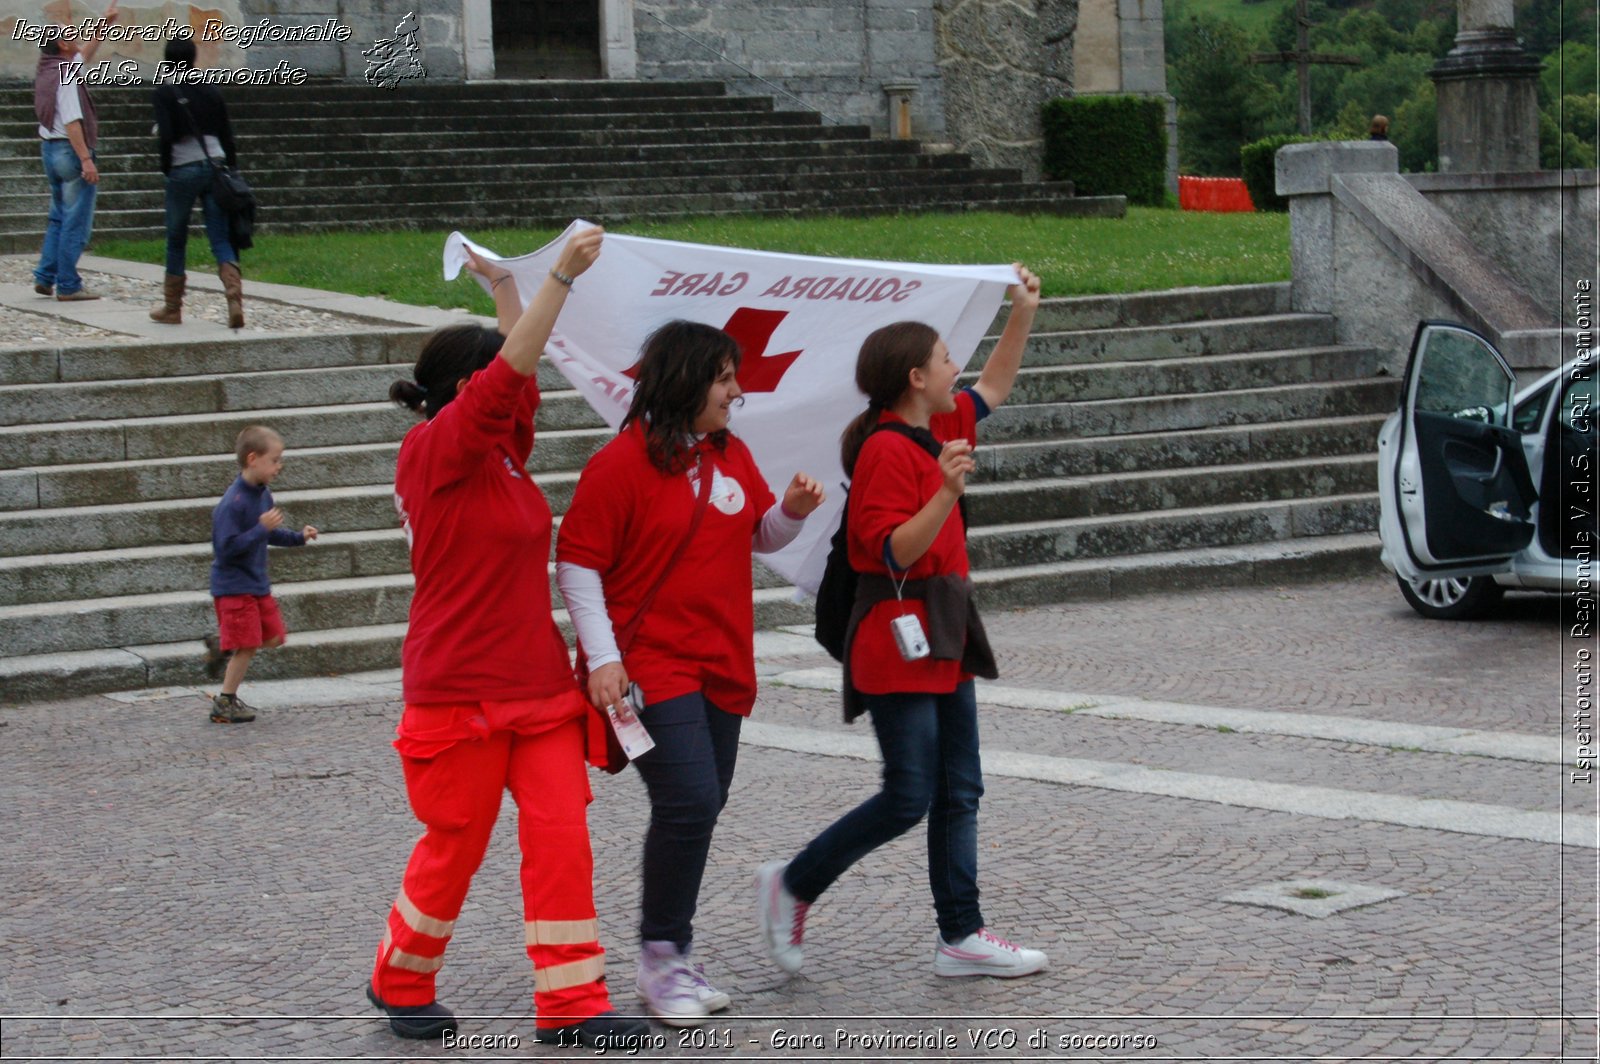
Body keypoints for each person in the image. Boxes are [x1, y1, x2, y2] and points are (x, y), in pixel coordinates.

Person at [367, 229, 648, 1049]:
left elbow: (515, 389)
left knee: (561, 839)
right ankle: (400, 976)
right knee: (455, 846)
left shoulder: (503, 458)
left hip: (536, 691)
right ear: (464, 390)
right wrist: (560, 273)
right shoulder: (434, 452)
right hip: (457, 691)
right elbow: (506, 383)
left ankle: (573, 1007)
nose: (516, 396)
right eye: (495, 382)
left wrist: (505, 287)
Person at [755, 266, 1047, 981]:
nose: (958, 369)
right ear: (916, 376)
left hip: (943, 625)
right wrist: (947, 492)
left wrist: (1023, 312)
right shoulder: (888, 448)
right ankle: (793, 883)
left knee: (959, 788)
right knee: (909, 794)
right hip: (897, 636)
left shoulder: (937, 422)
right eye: (948, 358)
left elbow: (997, 388)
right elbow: (886, 551)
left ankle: (961, 935)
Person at [555, 321, 824, 1026]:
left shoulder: (729, 453)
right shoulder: (620, 464)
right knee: (690, 801)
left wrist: (790, 515)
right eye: (724, 377)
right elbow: (578, 562)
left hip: (723, 660)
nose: (737, 391)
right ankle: (660, 958)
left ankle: (672, 952)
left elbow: (756, 530)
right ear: (685, 380)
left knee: (701, 806)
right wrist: (605, 658)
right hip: (652, 661)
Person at [205, 425, 317, 724]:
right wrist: (260, 529)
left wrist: (297, 537)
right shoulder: (233, 503)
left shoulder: (262, 494)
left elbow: (269, 534)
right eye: (275, 460)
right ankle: (225, 701)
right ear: (253, 459)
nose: (279, 467)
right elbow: (226, 549)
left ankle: (224, 644)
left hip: (256, 584)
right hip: (233, 586)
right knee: (250, 644)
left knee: (274, 636)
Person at [148, 35, 244, 329]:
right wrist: (232, 169)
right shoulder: (211, 90)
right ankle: (234, 297)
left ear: (167, 60)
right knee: (220, 236)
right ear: (193, 58)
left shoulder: (165, 92)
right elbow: (226, 134)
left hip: (183, 167)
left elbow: (166, 136)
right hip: (215, 165)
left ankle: (172, 307)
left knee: (176, 238)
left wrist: (167, 168)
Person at [32, 0, 120, 302]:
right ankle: (68, 284)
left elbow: (84, 54)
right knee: (75, 221)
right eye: (68, 34)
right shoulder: (66, 74)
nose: (74, 35)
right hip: (70, 152)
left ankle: (45, 276)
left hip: (49, 151)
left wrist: (103, 26)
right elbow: (72, 121)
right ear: (61, 45)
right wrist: (86, 159)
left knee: (58, 217)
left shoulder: (48, 69)